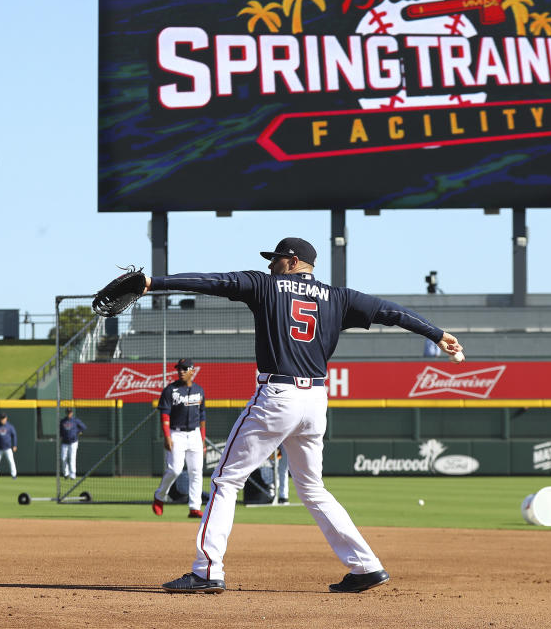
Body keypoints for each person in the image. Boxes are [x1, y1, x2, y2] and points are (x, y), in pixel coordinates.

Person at [142, 236, 463, 594]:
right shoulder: (340, 298)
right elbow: (391, 312)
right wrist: (437, 334)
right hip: (316, 400)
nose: (270, 264)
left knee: (225, 480)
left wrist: (154, 283)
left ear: (293, 261)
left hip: (278, 395)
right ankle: (366, 566)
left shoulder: (265, 285)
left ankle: (207, 570)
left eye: (276, 258)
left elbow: (211, 282)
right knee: (312, 487)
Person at [152, 358, 207, 519]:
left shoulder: (199, 390)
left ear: (192, 371)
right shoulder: (170, 390)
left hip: (195, 434)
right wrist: (167, 435)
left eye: (184, 368)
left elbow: (202, 415)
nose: (181, 371)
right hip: (177, 433)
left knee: (196, 471)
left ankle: (194, 507)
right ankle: (159, 496)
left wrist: (202, 439)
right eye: (179, 369)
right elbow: (164, 414)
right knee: (175, 469)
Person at [59, 408, 87, 479]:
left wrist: (78, 431)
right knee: (63, 458)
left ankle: (73, 473)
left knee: (72, 458)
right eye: (68, 412)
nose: (69, 414)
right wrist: (61, 436)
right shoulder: (63, 421)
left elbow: (83, 427)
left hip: (73, 442)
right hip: (64, 442)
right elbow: (60, 431)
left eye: (70, 412)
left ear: (72, 413)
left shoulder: (75, 420)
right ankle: (66, 473)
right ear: (66, 413)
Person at [0, 413, 18, 479]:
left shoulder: (10, 426)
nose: (2, 420)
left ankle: (14, 475)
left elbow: (14, 436)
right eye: (1, 418)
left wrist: (15, 445)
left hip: (8, 448)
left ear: (6, 418)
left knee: (11, 461)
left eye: (3, 418)